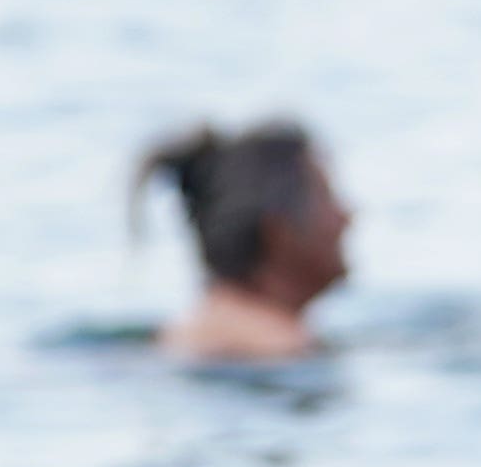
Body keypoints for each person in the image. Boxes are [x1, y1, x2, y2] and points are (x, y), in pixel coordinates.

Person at [137, 121, 351, 364]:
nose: (346, 218)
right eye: (327, 198)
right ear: (279, 231)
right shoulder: (282, 348)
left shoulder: (180, 333)